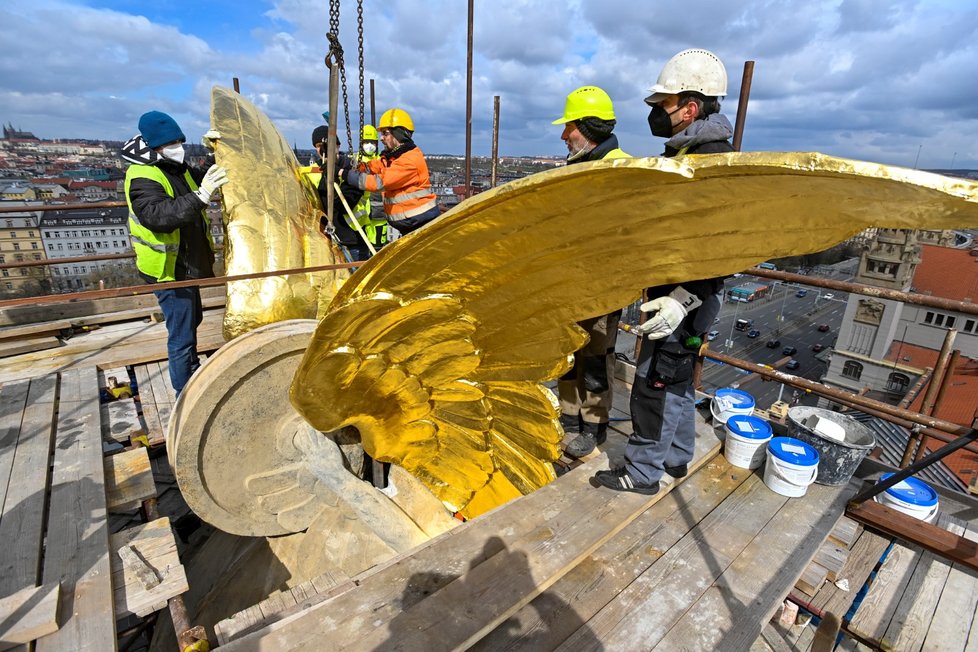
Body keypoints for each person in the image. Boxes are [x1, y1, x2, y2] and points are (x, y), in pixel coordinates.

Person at [594, 48, 734, 494]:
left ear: (690, 108)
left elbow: (718, 244)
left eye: (662, 105)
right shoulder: (695, 152)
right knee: (677, 377)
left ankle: (641, 473)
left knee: (654, 384)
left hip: (685, 296)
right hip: (689, 296)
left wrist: (681, 299)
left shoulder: (707, 162)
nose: (656, 114)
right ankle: (676, 458)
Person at [121, 110, 227, 397]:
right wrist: (202, 196)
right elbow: (158, 216)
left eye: (180, 140)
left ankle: (190, 373)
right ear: (154, 146)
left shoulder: (173, 166)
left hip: (185, 264)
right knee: (181, 334)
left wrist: (219, 153)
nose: (178, 146)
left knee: (191, 321)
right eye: (172, 142)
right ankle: (185, 393)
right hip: (168, 269)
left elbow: (203, 178)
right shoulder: (142, 175)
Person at [551, 86, 630, 459]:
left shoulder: (621, 169)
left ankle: (594, 425)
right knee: (568, 352)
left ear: (587, 126)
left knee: (596, 359)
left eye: (569, 128)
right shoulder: (577, 166)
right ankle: (569, 417)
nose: (564, 135)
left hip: (603, 288)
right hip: (570, 284)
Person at [342, 108, 440, 235]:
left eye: (385, 133)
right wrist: (354, 165)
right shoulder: (395, 157)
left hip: (419, 223)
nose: (381, 138)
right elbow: (377, 166)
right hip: (412, 223)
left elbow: (379, 182)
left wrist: (346, 175)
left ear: (398, 134)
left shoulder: (409, 160)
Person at [306, 125, 372, 262]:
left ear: (338, 146)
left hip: (353, 241)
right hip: (326, 241)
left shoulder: (352, 169)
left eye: (327, 144)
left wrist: (333, 175)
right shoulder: (312, 171)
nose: (322, 149)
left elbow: (345, 204)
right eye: (318, 146)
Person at [350, 125, 388, 253]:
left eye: (372, 142)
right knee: (361, 250)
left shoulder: (382, 161)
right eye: (366, 142)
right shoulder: (355, 160)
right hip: (361, 212)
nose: (369, 145)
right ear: (361, 143)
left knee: (377, 250)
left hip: (378, 213)